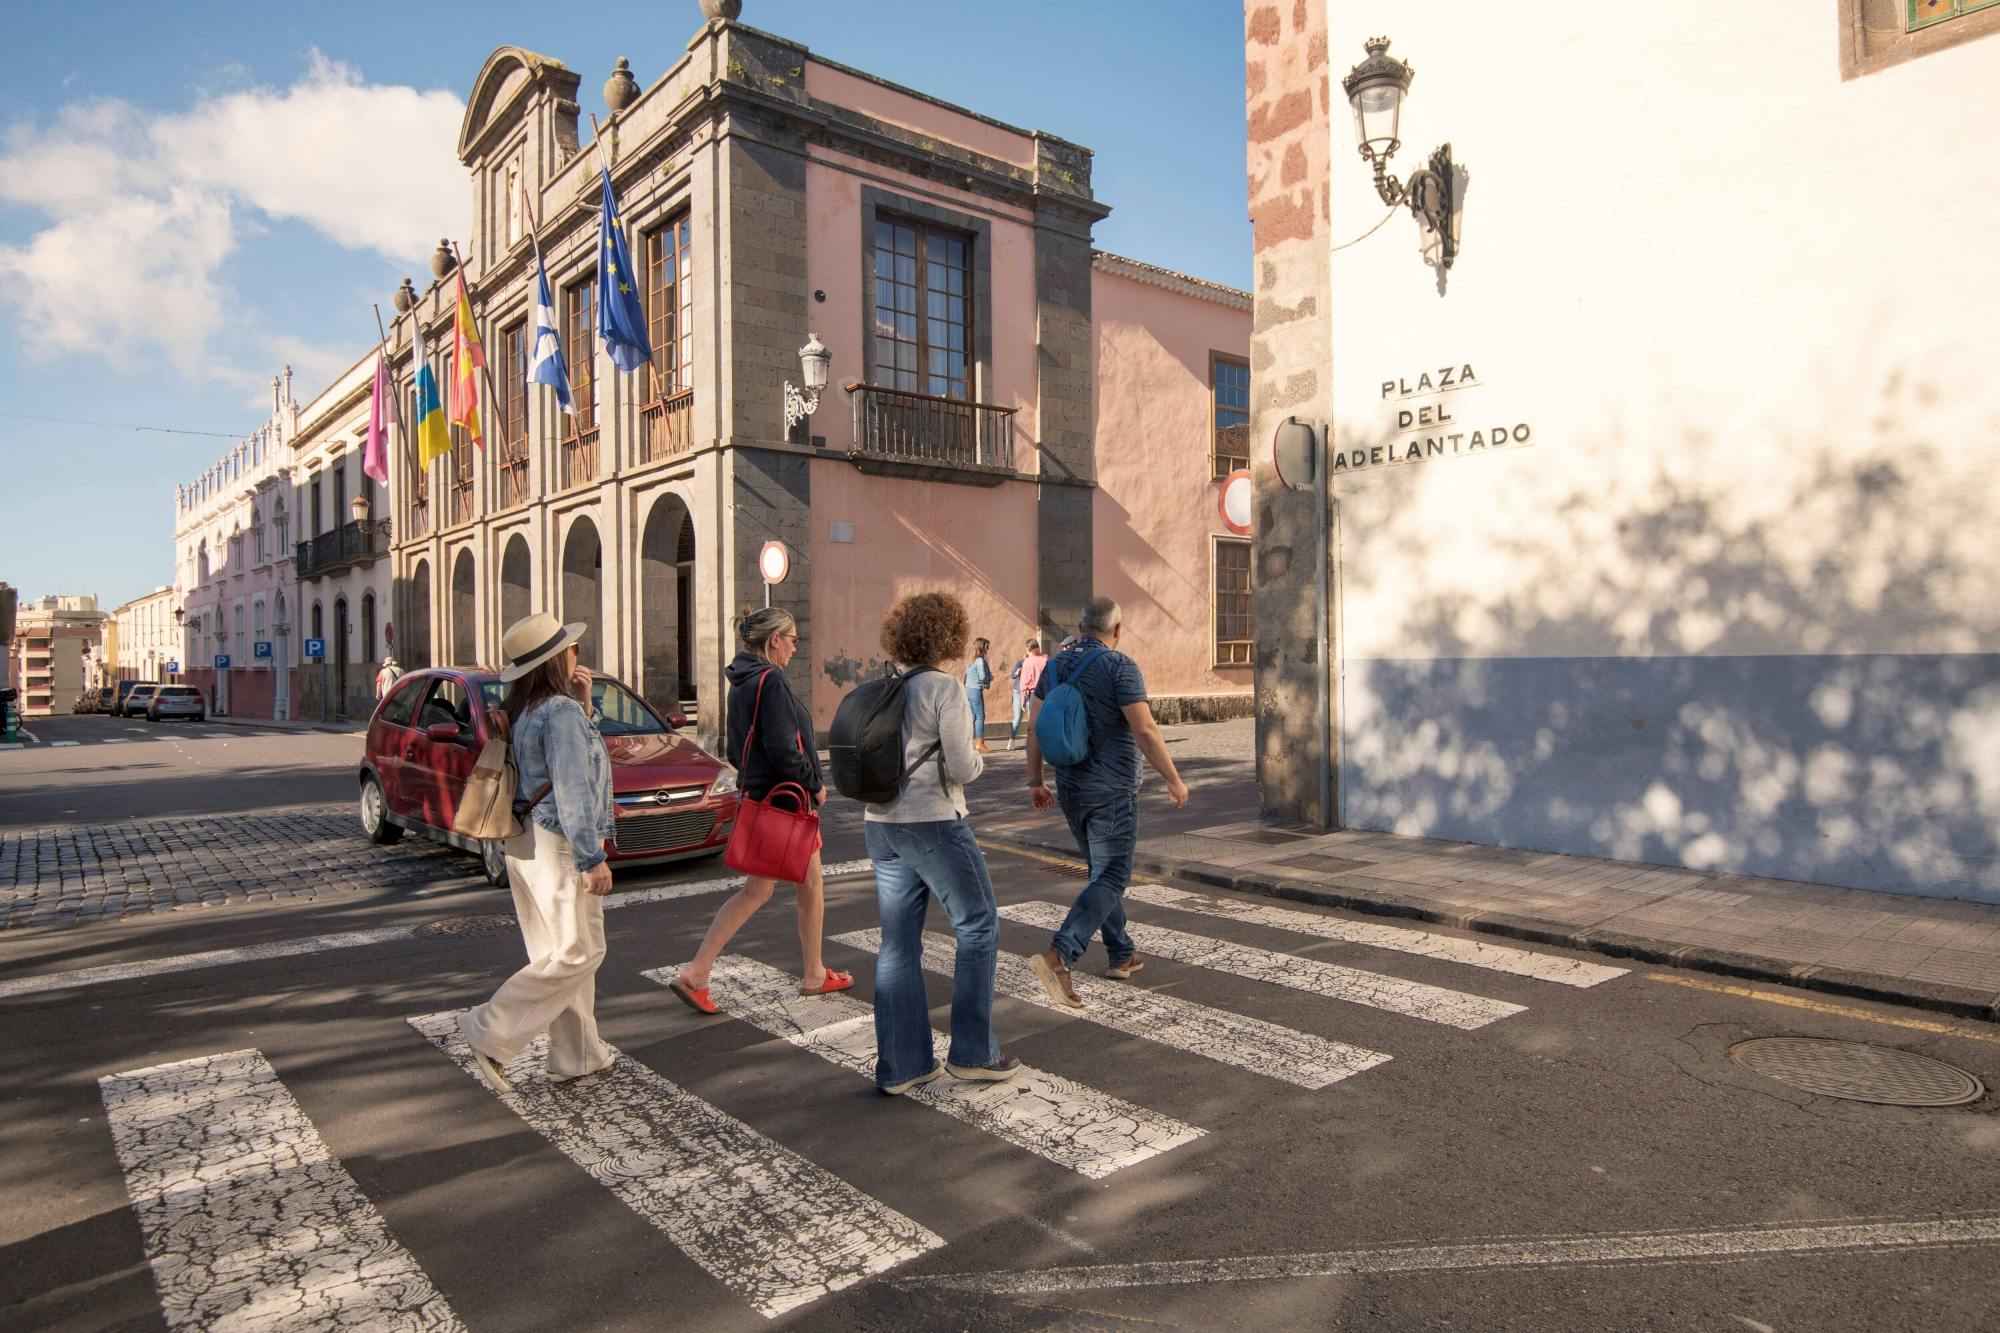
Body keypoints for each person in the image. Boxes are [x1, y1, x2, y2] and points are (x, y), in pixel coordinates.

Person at [455, 613, 618, 1091]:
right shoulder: (559, 712)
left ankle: (578, 1056)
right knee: (580, 951)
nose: (578, 655)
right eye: (572, 649)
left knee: (553, 952)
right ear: (554, 661)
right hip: (558, 842)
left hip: (522, 840)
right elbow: (571, 786)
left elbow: (552, 763)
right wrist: (592, 857)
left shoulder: (528, 709)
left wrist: (585, 707)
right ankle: (490, 1030)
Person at [865, 593, 1020, 1095]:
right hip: (932, 820)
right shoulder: (944, 688)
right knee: (978, 925)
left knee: (898, 942)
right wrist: (979, 762)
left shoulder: (885, 687)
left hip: (880, 823)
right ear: (946, 636)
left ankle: (902, 1065)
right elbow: (961, 765)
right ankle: (974, 1052)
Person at [668, 608, 852, 1013]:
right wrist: (815, 784)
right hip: (784, 801)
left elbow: (738, 749)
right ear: (773, 641)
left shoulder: (742, 681)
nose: (794, 646)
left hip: (764, 796)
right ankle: (699, 972)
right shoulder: (771, 681)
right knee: (771, 888)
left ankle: (811, 972)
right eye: (791, 639)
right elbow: (786, 748)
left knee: (794, 884)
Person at [1024, 597, 1190, 1008]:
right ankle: (1060, 955)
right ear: (1117, 629)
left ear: (1081, 627)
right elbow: (1146, 730)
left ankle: (1122, 953)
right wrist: (1173, 779)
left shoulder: (1055, 665)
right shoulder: (1120, 666)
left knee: (1101, 874)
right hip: (1113, 791)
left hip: (1070, 789)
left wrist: (1035, 781)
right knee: (1113, 876)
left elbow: (1033, 729)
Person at [1008, 638, 1048, 751]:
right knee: (1043, 718)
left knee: (1033, 720)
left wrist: (1023, 701)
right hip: (1045, 691)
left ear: (1028, 649)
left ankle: (1034, 745)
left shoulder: (1028, 662)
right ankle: (1043, 743)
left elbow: (1024, 684)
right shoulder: (1046, 659)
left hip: (1033, 693)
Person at [964, 637, 994, 754]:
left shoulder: (971, 660)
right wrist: (990, 677)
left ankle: (966, 743)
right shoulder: (980, 661)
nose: (988, 648)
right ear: (982, 647)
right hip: (976, 690)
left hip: (968, 689)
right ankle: (980, 744)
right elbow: (982, 677)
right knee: (981, 716)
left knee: (972, 717)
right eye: (987, 646)